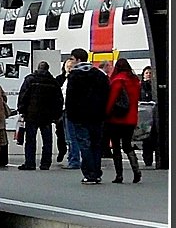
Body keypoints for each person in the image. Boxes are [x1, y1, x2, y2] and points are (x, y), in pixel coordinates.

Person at [64, 48, 110, 185]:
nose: (71, 62)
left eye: (72, 59)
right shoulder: (99, 75)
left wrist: (71, 115)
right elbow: (106, 94)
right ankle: (96, 173)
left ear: (78, 59)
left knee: (84, 145)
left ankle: (89, 174)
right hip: (97, 116)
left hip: (80, 117)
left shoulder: (74, 76)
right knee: (96, 145)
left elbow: (70, 98)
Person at [16, 61, 64, 170]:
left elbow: (23, 95)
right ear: (48, 69)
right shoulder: (53, 82)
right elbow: (58, 100)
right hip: (47, 115)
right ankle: (45, 163)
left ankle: (30, 163)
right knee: (47, 140)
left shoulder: (30, 79)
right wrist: (56, 115)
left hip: (31, 114)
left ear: (37, 68)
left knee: (30, 140)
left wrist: (22, 110)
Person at [104, 58, 142, 184]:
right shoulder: (135, 80)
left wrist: (106, 113)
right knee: (127, 145)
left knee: (116, 147)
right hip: (131, 118)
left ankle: (119, 175)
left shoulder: (117, 81)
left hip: (117, 119)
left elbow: (111, 100)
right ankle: (136, 170)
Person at [55, 56, 81, 169]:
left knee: (72, 137)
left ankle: (74, 160)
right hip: (65, 110)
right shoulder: (64, 79)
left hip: (70, 110)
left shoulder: (73, 79)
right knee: (67, 136)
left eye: (71, 67)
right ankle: (72, 158)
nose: (69, 69)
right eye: (67, 66)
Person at [139, 66, 156, 168]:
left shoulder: (153, 86)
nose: (149, 74)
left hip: (153, 115)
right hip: (145, 115)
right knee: (146, 137)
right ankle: (147, 158)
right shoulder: (141, 87)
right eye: (147, 73)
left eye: (150, 73)